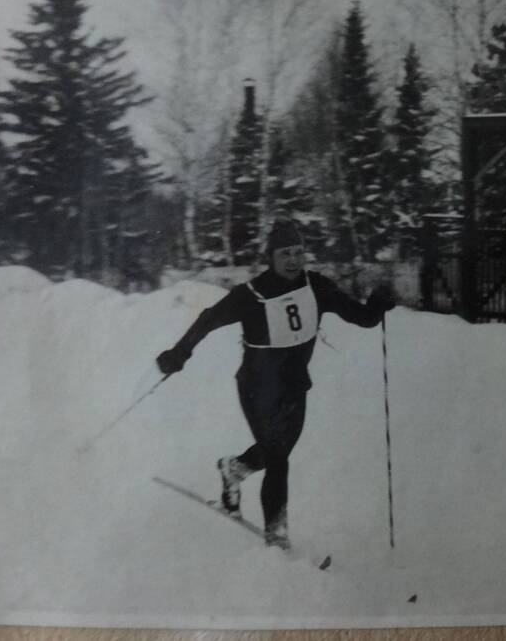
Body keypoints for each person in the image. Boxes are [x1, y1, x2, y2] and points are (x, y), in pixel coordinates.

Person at [156, 217, 396, 550]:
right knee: (279, 459)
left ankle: (234, 469)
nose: (294, 260)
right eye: (285, 253)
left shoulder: (317, 287)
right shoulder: (251, 294)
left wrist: (379, 303)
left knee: (276, 454)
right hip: (257, 387)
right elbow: (208, 319)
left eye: (298, 252)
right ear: (271, 257)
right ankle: (277, 536)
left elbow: (363, 318)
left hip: (295, 386)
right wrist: (178, 354)